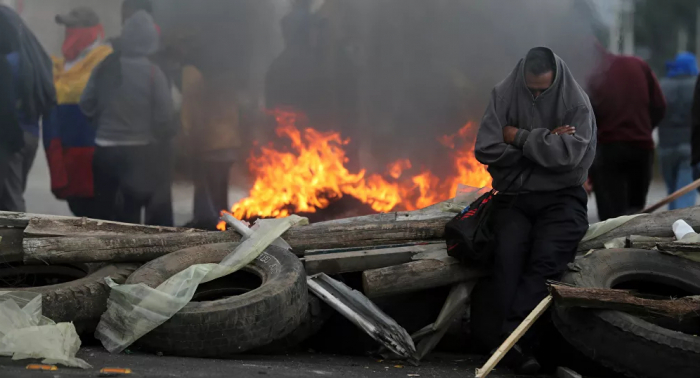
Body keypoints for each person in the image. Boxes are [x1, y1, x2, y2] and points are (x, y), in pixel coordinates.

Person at [474, 47, 595, 374]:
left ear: (555, 81)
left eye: (543, 91)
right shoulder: (503, 94)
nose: (536, 96)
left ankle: (512, 341)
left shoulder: (576, 103)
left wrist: (519, 137)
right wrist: (544, 144)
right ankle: (513, 345)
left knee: (545, 262)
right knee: (507, 261)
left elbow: (568, 157)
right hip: (514, 195)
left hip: (562, 198)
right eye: (531, 91)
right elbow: (485, 148)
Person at [80, 10, 175, 224]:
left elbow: (85, 103)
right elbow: (164, 116)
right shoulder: (153, 73)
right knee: (130, 218)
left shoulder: (105, 66)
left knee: (103, 217)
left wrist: (101, 124)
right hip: (139, 154)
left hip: (104, 152)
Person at [43, 7, 113, 217]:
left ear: (91, 30)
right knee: (78, 208)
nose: (69, 32)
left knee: (97, 212)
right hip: (67, 152)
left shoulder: (104, 60)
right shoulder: (63, 64)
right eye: (67, 28)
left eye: (74, 27)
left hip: (91, 152)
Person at [588, 46, 666, 220]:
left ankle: (614, 246)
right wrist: (643, 129)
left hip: (608, 149)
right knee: (635, 211)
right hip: (641, 148)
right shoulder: (638, 64)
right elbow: (660, 106)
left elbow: (585, 121)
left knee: (611, 218)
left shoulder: (592, 74)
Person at [0, 6, 56, 212]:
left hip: (11, 138)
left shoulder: (8, 62)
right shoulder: (33, 58)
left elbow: (5, 107)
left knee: (11, 202)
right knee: (14, 193)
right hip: (31, 134)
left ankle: (16, 243)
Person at [181, 66, 242, 229]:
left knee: (206, 187)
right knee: (221, 187)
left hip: (209, 148)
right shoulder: (229, 92)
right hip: (228, 147)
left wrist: (189, 141)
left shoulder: (200, 93)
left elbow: (191, 120)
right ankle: (224, 220)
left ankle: (210, 222)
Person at [657, 52, 698, 210]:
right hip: (690, 146)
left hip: (666, 145)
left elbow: (654, 110)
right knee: (685, 192)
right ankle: (682, 230)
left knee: (671, 191)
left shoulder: (663, 85)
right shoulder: (696, 84)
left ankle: (672, 227)